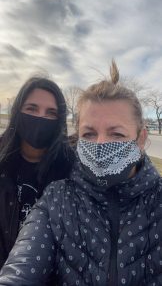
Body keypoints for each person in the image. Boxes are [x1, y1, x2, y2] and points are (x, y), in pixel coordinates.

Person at [0, 61, 162, 286]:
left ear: (141, 139)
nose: (101, 143)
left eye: (116, 134)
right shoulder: (57, 200)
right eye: (89, 133)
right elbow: (20, 271)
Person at [0, 76, 74, 269]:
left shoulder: (72, 167)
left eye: (51, 113)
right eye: (32, 109)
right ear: (17, 112)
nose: (41, 118)